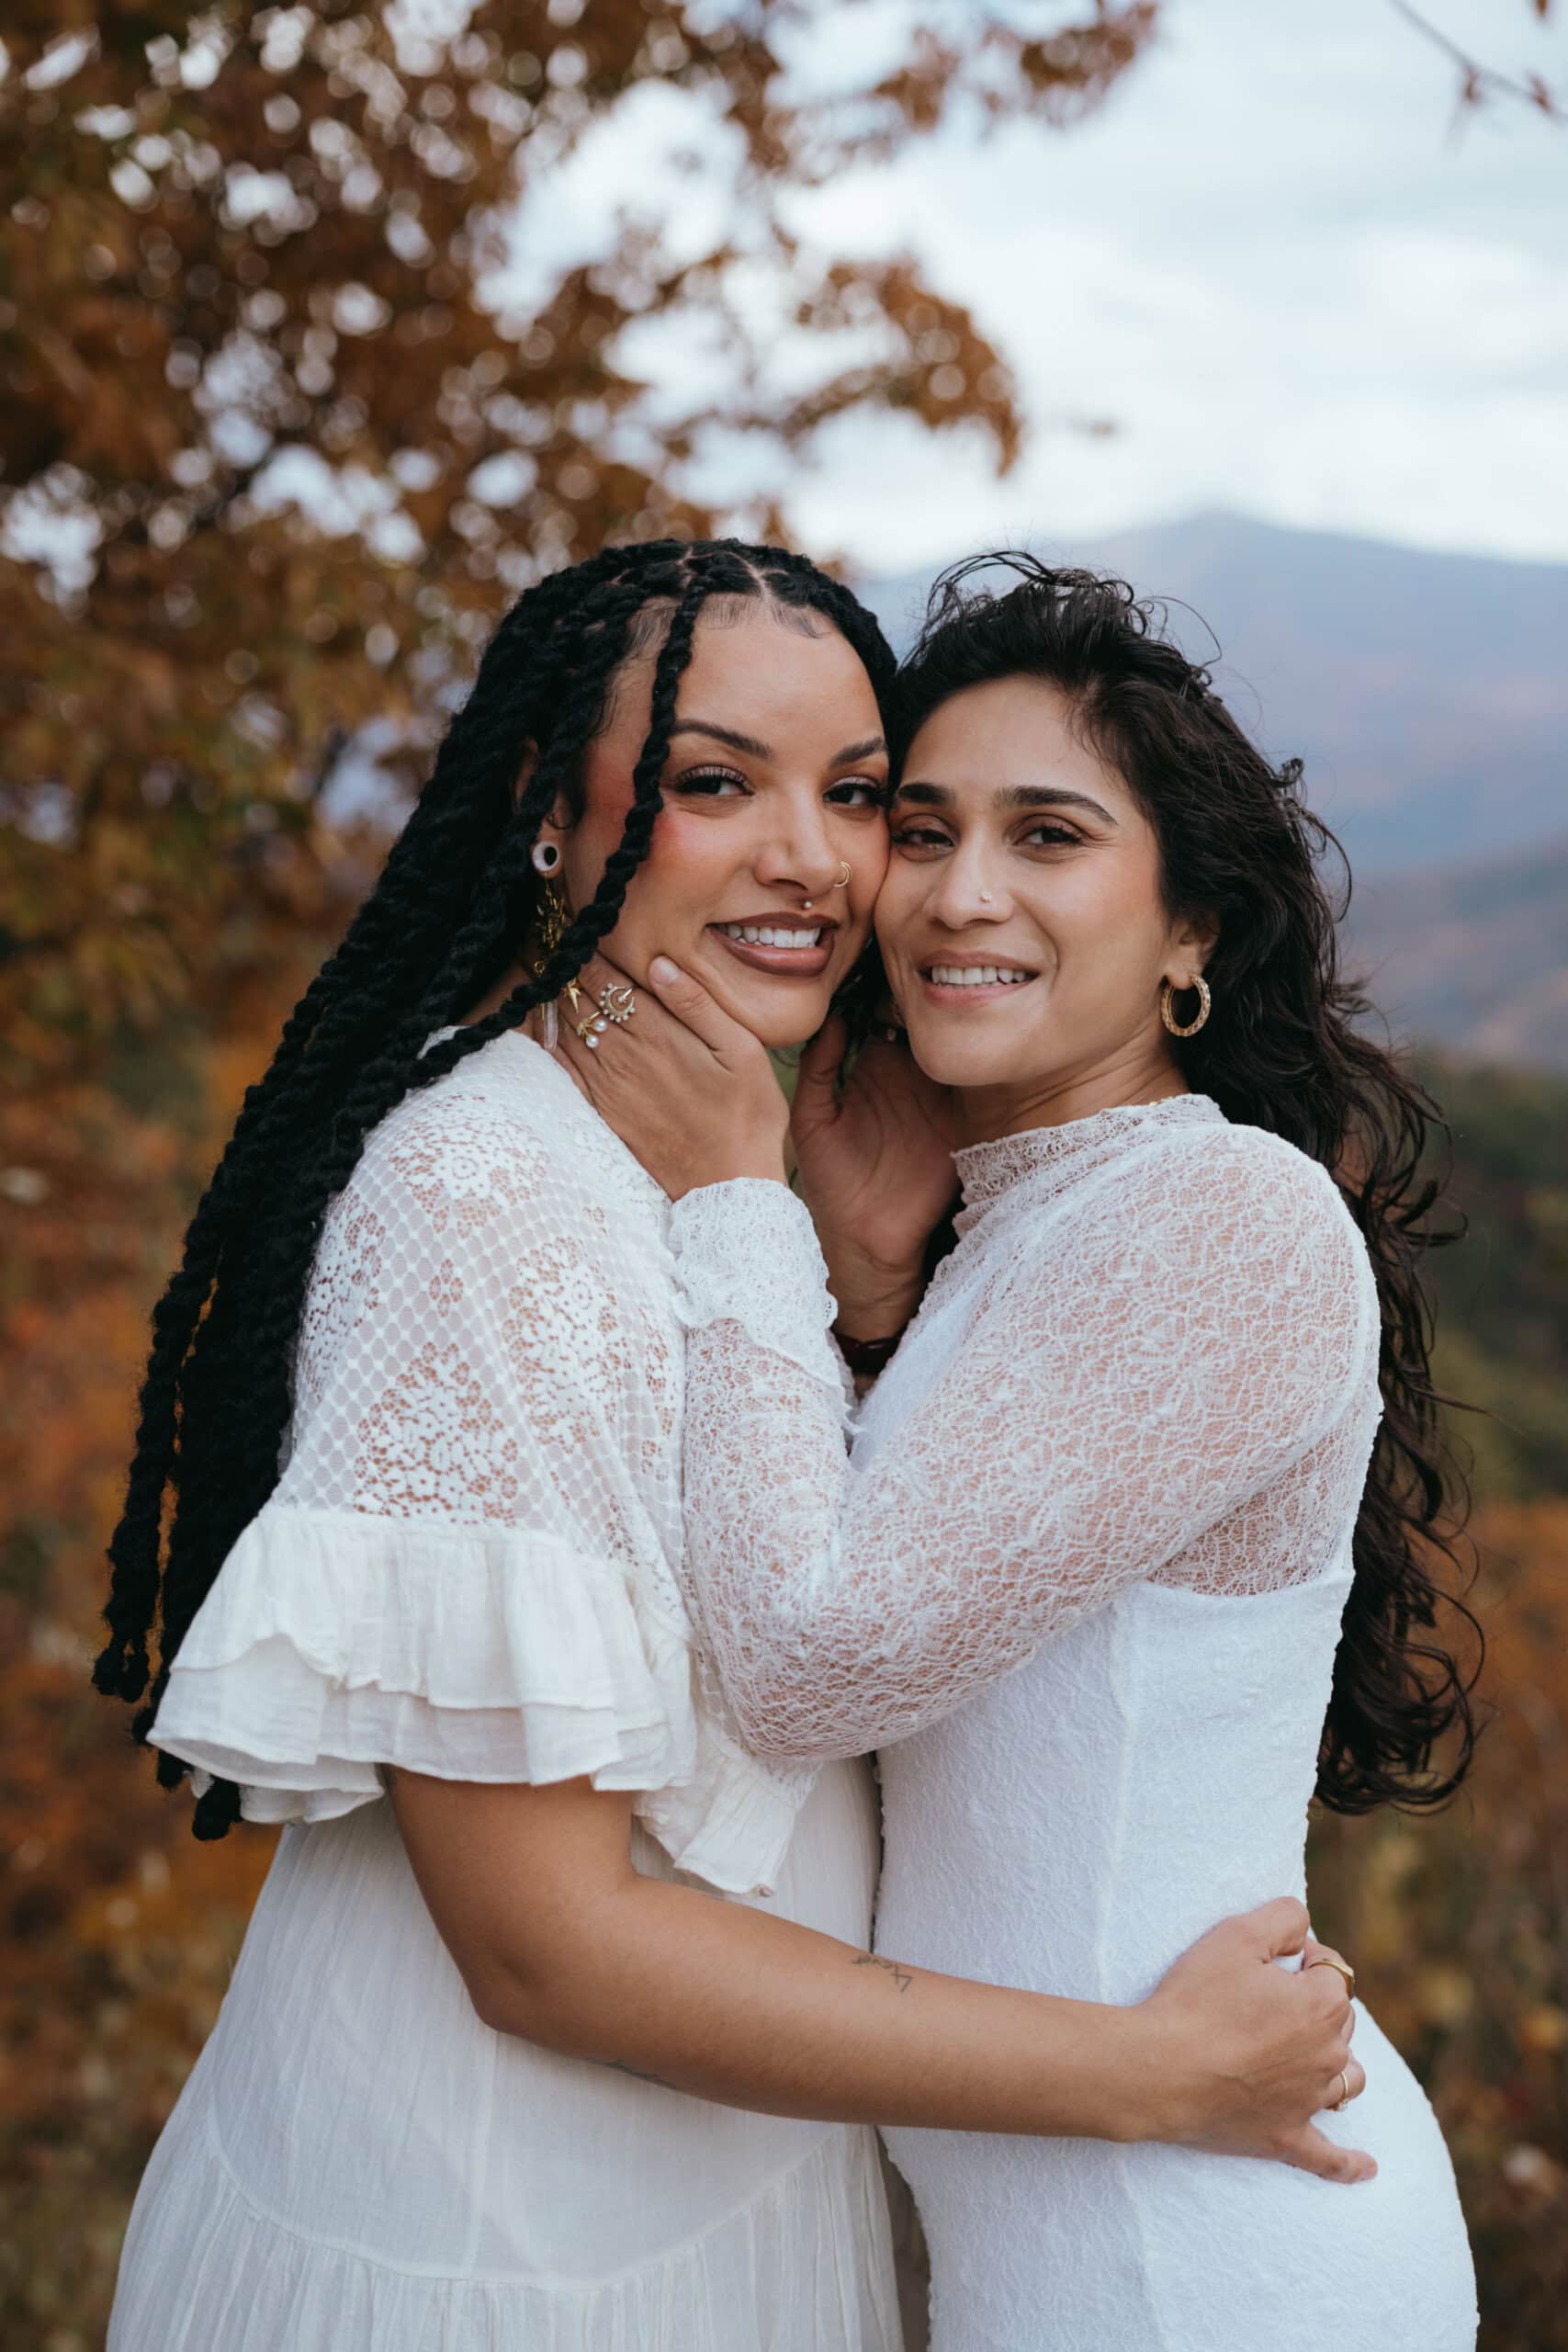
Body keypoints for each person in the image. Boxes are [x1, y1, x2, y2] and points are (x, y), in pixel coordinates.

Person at [96, 541, 1365, 2352]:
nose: (814, 861)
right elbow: (543, 1941)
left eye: (851, 795)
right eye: (713, 783)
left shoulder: (726, 1182)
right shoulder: (486, 1192)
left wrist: (852, 1293)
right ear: (552, 817)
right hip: (499, 2243)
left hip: (737, 2198)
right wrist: (1139, 2072)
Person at [558, 554, 1480, 2352]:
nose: (957, 891)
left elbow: (809, 1662)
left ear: (1189, 929)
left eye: (1046, 835)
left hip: (1206, 2251)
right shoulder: (1028, 1226)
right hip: (1068, 2227)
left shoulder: (1219, 1213)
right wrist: (859, 1285)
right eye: (920, 829)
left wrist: (737, 1195)